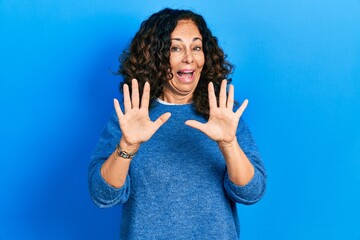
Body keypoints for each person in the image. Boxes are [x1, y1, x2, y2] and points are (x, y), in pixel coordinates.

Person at [88, 8, 266, 239]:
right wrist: (127, 148)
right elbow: (102, 195)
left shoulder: (223, 113)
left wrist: (228, 143)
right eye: (175, 48)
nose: (189, 58)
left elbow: (252, 193)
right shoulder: (132, 116)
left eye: (196, 47)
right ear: (155, 56)